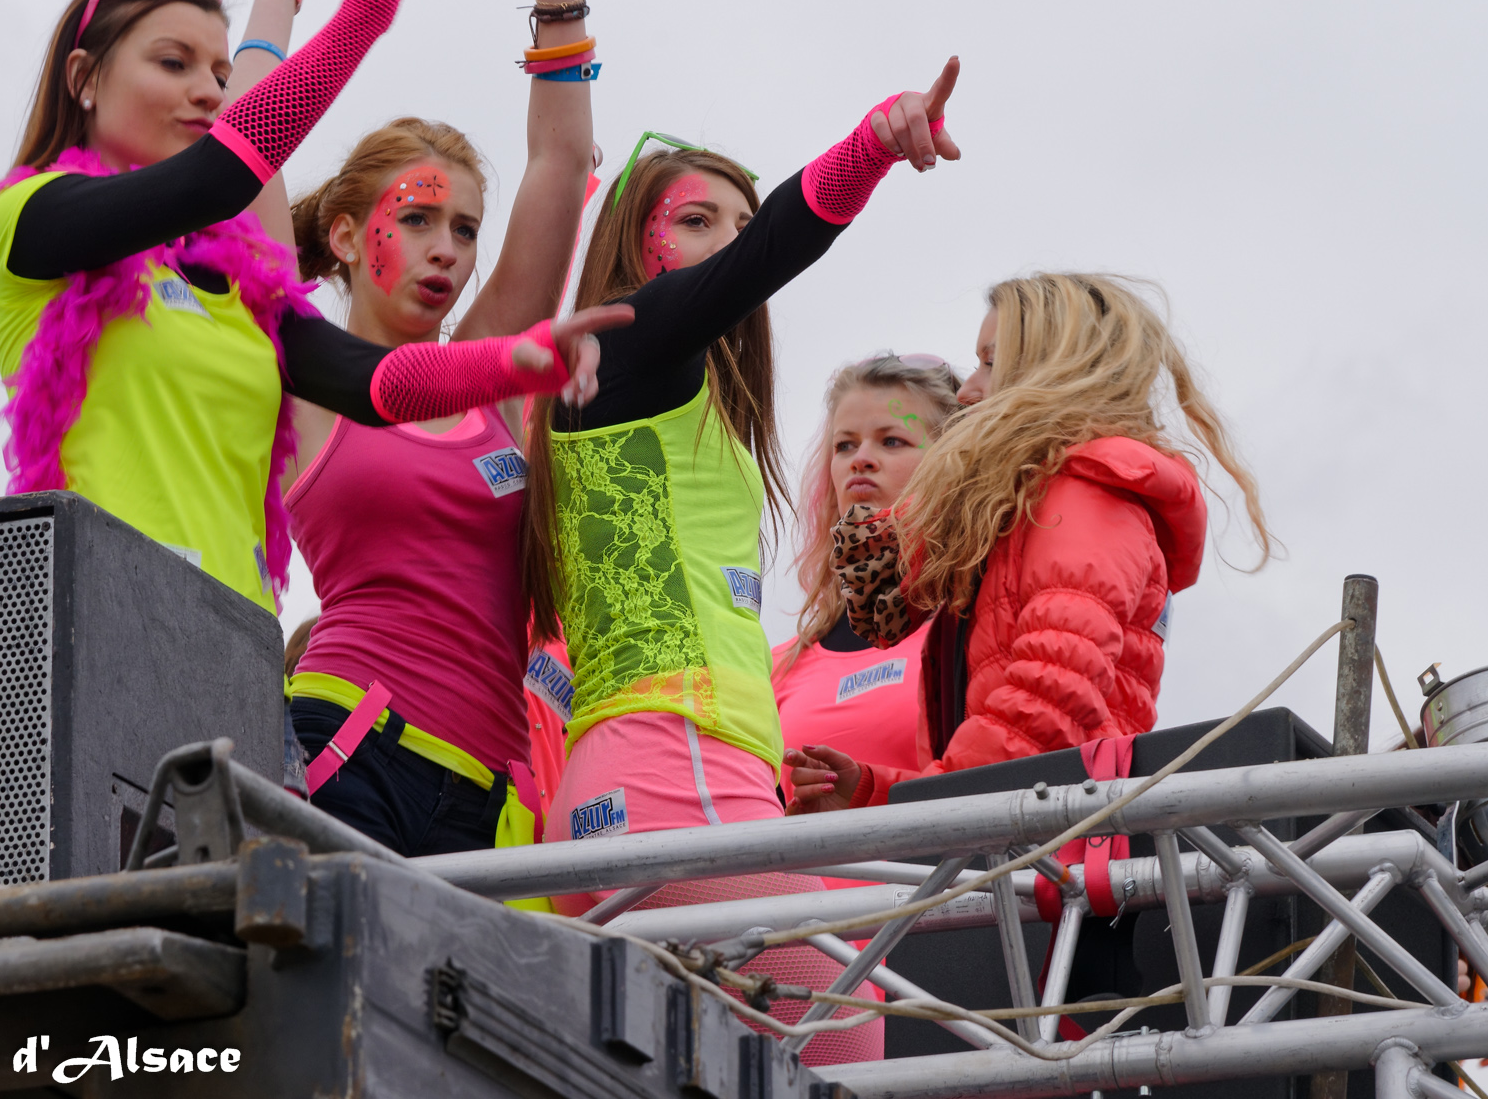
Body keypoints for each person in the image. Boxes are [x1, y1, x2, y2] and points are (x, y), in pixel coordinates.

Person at [0, 0, 628, 638]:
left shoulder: (242, 289)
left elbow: (374, 382)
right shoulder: (28, 220)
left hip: (235, 657)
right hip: (101, 623)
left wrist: (510, 361)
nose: (208, 92)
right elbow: (230, 168)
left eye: (218, 73)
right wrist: (365, 5)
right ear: (84, 77)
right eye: (172, 63)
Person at [521, 66, 963, 1065]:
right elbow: (772, 245)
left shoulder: (626, 387)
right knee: (849, 1042)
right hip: (677, 771)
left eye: (734, 222)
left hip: (612, 794)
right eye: (696, 221)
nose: (724, 244)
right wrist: (873, 143)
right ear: (637, 241)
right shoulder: (634, 344)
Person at [279, 0, 608, 857]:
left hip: (488, 793)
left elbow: (561, 164)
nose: (449, 251)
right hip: (344, 749)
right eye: (415, 219)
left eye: (463, 228)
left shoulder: (487, 371)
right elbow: (244, 161)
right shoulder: (290, 375)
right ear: (341, 234)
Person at [783, 273, 1272, 813]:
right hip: (1022, 849)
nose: (968, 391)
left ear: (1053, 367)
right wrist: (874, 793)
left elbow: (1046, 705)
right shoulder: (1023, 512)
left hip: (1046, 863)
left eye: (991, 363)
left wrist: (913, 816)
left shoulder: (1083, 494)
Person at [770, 353, 962, 789]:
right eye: (845, 445)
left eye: (891, 441)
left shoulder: (978, 622)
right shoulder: (782, 665)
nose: (861, 459)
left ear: (953, 461)